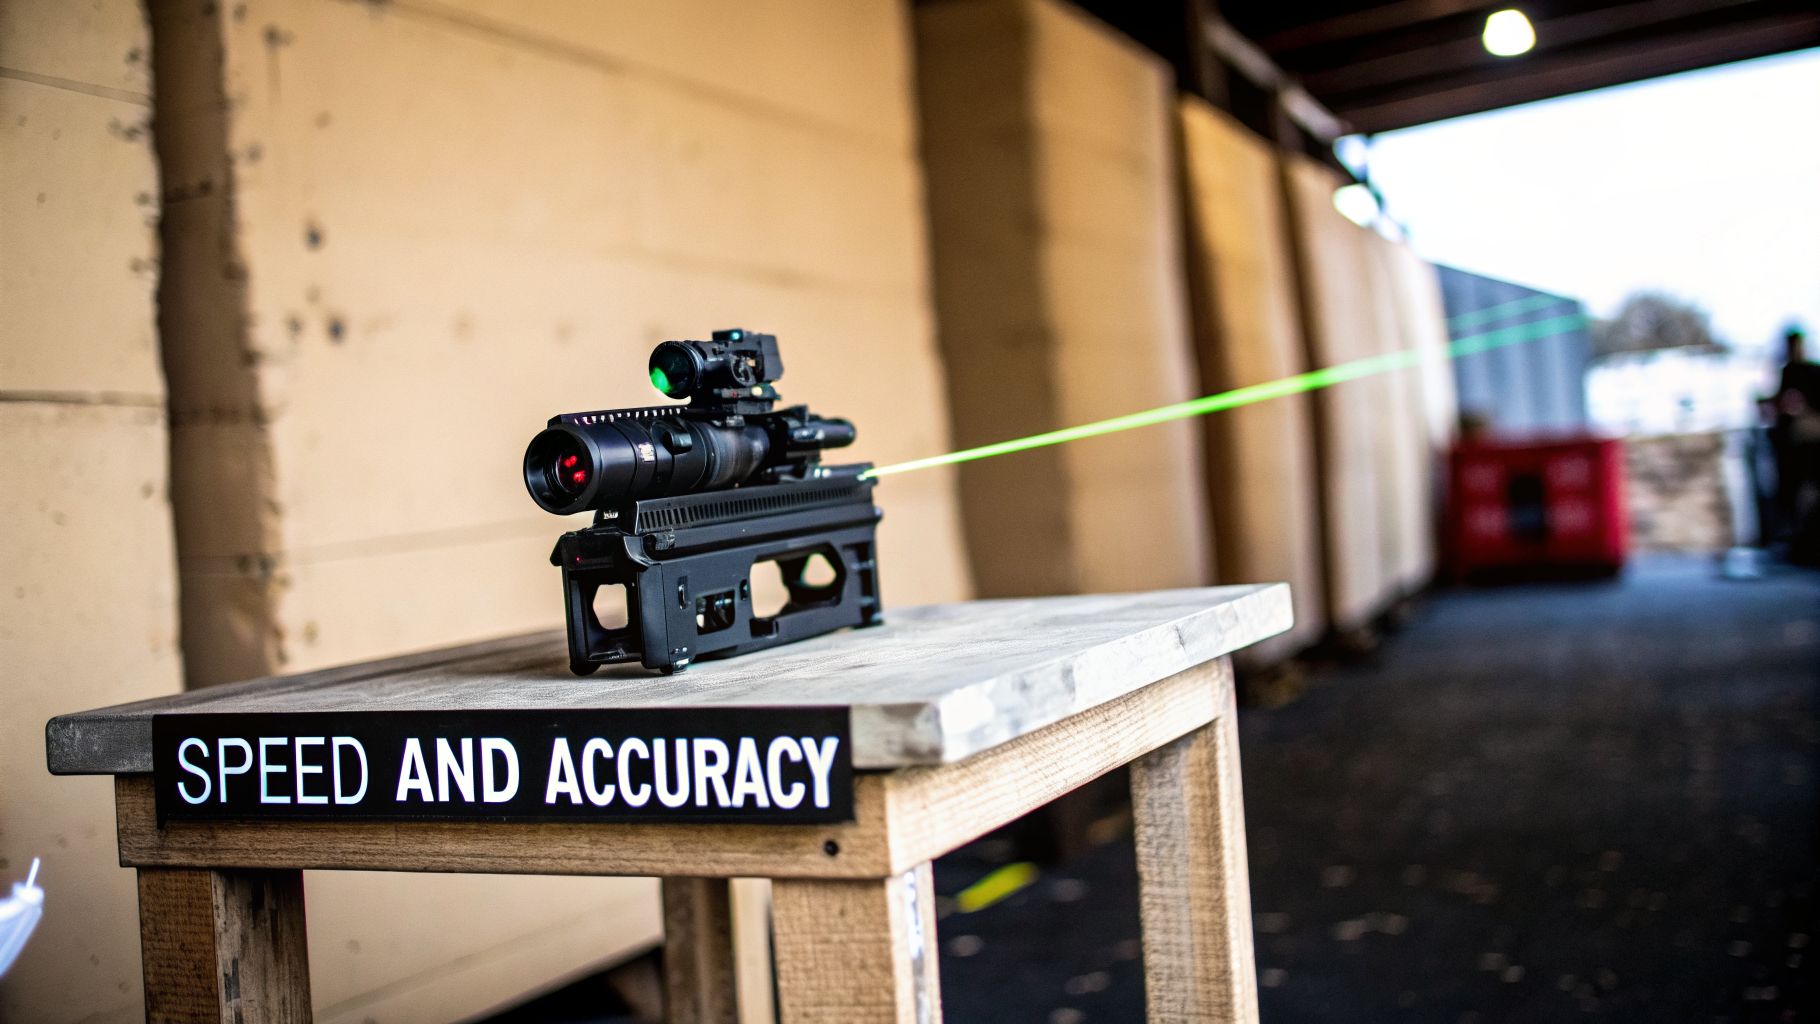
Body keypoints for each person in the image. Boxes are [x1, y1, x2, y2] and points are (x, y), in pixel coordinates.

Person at [1772, 326, 1820, 561]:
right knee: (1795, 496)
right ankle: (1801, 545)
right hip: (1792, 448)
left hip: (1811, 444)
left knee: (1809, 494)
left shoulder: (1812, 371)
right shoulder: (1787, 372)